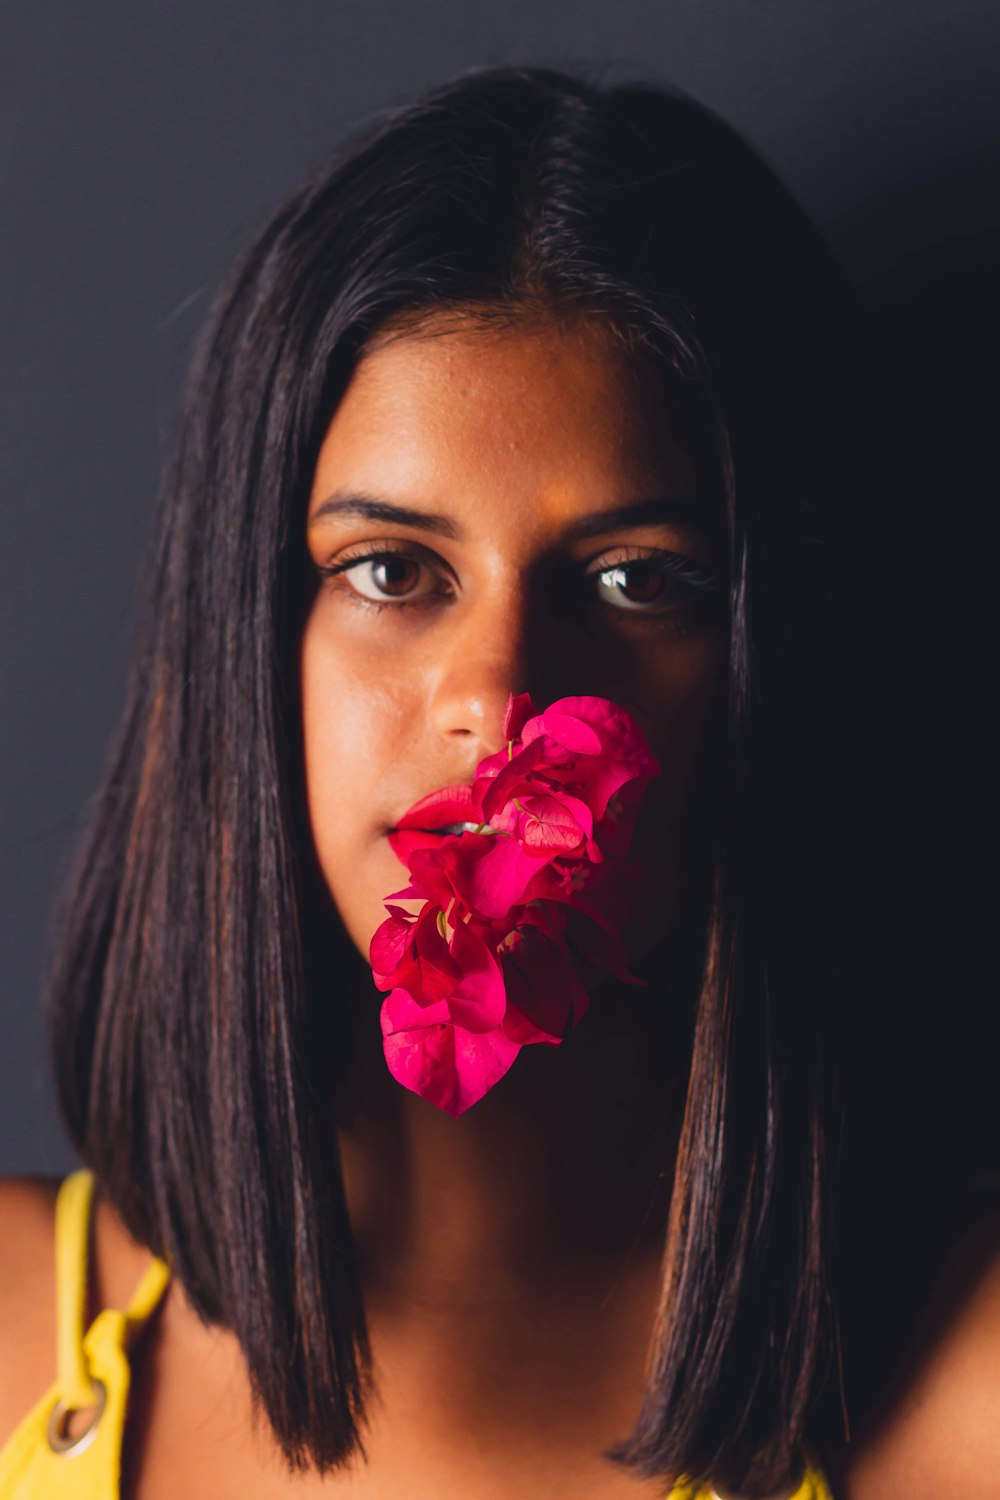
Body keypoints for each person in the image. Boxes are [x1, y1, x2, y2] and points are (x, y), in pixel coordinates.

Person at [0, 65, 997, 1500]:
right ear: (245, 646)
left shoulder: (968, 1394)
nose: (496, 697)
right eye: (392, 573)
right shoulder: (28, 1332)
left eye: (637, 581)